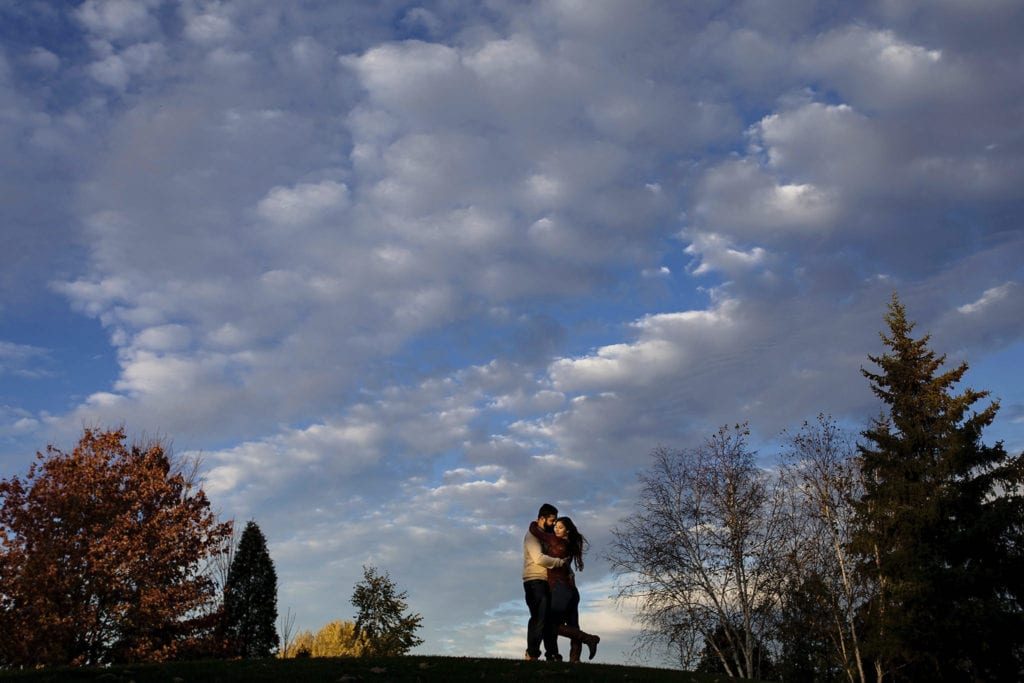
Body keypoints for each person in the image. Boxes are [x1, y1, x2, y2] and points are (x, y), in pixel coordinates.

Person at [530, 515, 601, 662]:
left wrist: (537, 522)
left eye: (560, 527)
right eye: (555, 526)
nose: (556, 529)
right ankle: (575, 660)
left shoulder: (556, 541)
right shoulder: (571, 545)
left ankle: (589, 638)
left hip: (560, 589)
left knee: (549, 624)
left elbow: (535, 531)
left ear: (567, 531)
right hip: (571, 591)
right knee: (573, 625)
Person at [522, 503, 568, 661]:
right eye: (551, 520)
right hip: (534, 580)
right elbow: (538, 558)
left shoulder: (547, 536)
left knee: (550, 619)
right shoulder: (532, 536)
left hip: (548, 581)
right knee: (539, 617)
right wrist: (560, 563)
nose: (553, 524)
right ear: (542, 518)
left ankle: (551, 654)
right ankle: (532, 654)